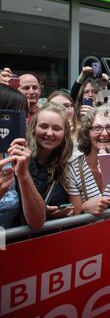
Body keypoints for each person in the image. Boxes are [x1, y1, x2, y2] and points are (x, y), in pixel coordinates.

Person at [0, 84, 45, 229]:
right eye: (12, 116)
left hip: (11, 247)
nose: (24, 122)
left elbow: (37, 222)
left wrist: (24, 176)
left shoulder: (18, 156)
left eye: (24, 116)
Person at [66, 106, 110, 215]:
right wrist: (84, 207)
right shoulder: (74, 168)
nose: (105, 133)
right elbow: (73, 214)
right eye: (97, 128)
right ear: (87, 133)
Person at [27, 102, 74, 220]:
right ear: (34, 128)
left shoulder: (63, 164)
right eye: (43, 126)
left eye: (56, 128)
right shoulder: (24, 161)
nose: (49, 133)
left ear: (64, 133)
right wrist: (40, 211)